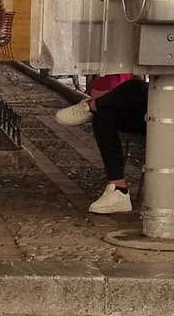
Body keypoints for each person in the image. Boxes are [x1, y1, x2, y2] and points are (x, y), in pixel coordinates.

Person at [56, 73, 149, 214]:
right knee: (103, 117)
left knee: (136, 87)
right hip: (155, 112)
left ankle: (90, 106)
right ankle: (118, 188)